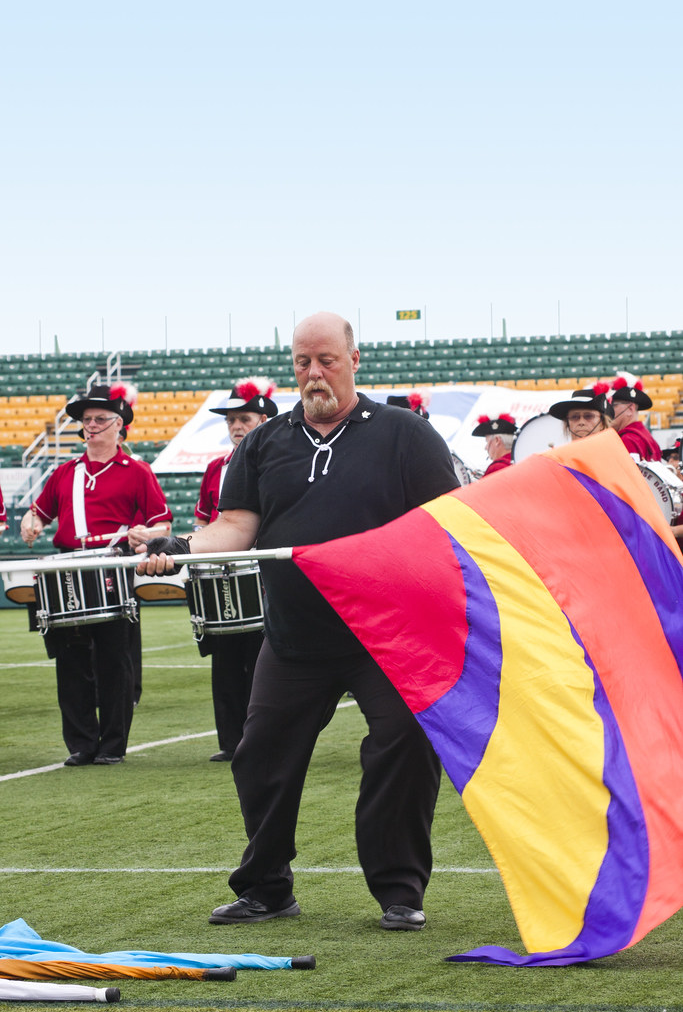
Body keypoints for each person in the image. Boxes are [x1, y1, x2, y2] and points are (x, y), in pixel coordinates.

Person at [138, 311, 459, 931]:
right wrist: (177, 545)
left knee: (406, 746)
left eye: (327, 361)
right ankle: (266, 888)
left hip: (385, 636)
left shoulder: (405, 435)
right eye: (303, 363)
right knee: (259, 755)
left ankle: (399, 890)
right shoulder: (264, 442)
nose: (315, 374)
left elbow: (445, 525)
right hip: (293, 636)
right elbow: (236, 527)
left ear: (354, 360)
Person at [20, 383, 172, 767]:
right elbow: (40, 511)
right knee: (69, 659)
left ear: (119, 425)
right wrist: (31, 520)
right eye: (86, 420)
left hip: (111, 564)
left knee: (113, 659)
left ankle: (112, 745)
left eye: (100, 419)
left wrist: (144, 535)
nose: (91, 425)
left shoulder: (137, 471)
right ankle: (81, 743)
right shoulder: (65, 472)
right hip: (69, 564)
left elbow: (163, 525)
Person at [193, 378, 278, 762]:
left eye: (244, 418)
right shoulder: (215, 468)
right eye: (230, 421)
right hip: (219, 574)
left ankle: (267, 739)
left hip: (263, 573)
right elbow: (203, 523)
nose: (236, 427)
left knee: (264, 659)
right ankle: (230, 741)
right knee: (224, 658)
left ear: (263, 418)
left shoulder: (278, 462)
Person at [610, 376, 662, 460]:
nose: (608, 411)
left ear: (630, 409)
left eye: (613, 406)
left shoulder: (628, 440)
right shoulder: (646, 437)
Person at [548, 383, 614, 440]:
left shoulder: (613, 452)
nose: (581, 422)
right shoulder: (557, 454)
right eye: (574, 417)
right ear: (568, 424)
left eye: (588, 416)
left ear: (602, 423)